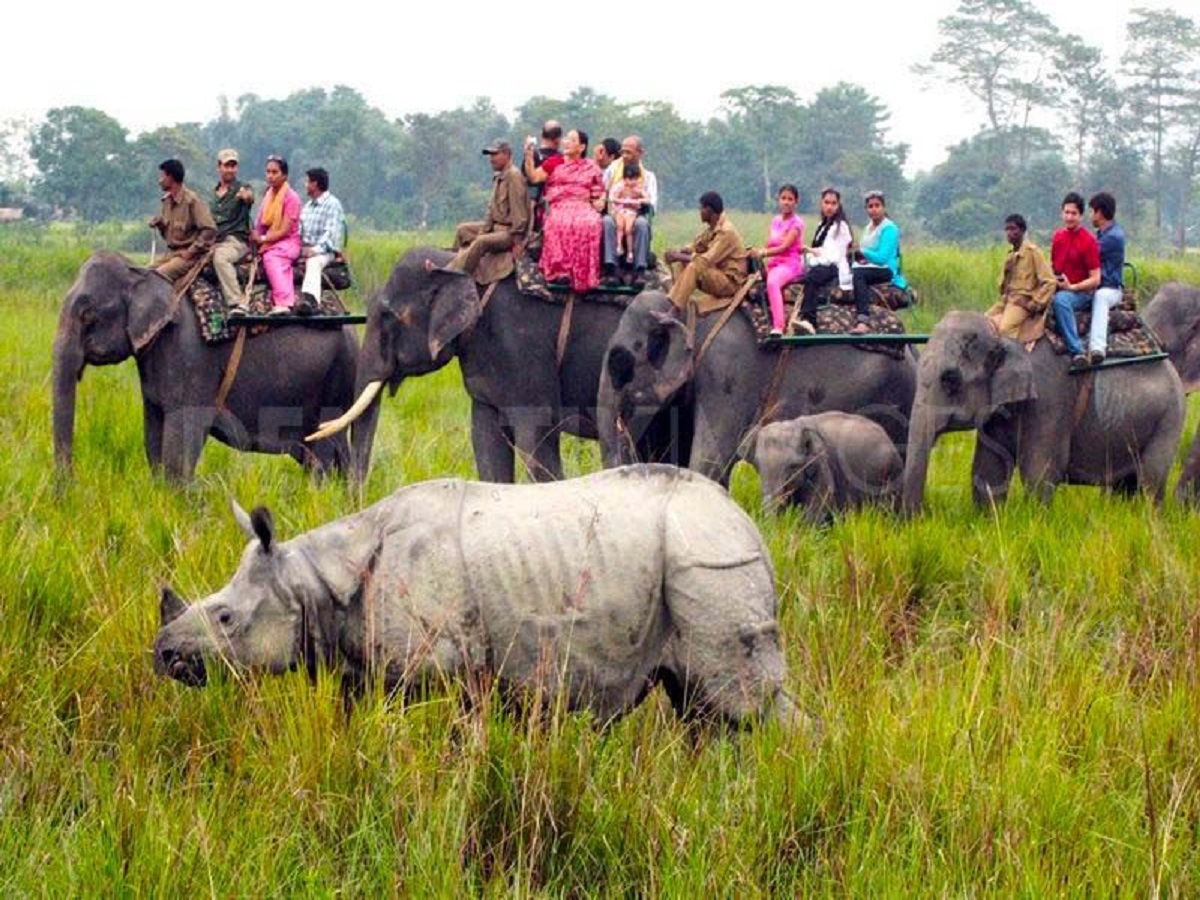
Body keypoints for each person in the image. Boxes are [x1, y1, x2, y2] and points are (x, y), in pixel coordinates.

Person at [445, 138, 530, 284]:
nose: (491, 159)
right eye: (490, 155)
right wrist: (483, 230)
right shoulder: (499, 177)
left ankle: (453, 274)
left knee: (481, 242)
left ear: (507, 154)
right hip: (495, 228)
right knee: (462, 230)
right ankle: (454, 261)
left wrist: (517, 243)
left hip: (508, 232)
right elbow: (491, 211)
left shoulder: (514, 176)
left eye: (495, 154)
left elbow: (519, 214)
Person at [537, 130, 606, 293]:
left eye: (572, 140)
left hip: (582, 205)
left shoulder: (590, 166)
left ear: (582, 146)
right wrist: (527, 156)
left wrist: (600, 199)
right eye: (566, 139)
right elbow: (534, 177)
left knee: (591, 223)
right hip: (560, 204)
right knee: (558, 223)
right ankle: (560, 271)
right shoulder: (556, 162)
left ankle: (583, 274)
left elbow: (599, 189)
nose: (566, 142)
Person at [239, 154, 301, 316]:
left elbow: (285, 230)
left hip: (288, 243)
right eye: (268, 172)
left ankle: (284, 302)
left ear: (284, 175)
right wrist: (254, 237)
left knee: (271, 257)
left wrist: (264, 239)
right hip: (270, 241)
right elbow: (260, 223)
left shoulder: (291, 198)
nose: (270, 176)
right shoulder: (268, 196)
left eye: (275, 172)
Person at [666, 192, 748, 310]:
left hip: (729, 283)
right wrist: (682, 252)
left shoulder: (727, 232)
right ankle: (676, 299)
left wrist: (678, 256)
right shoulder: (712, 229)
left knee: (694, 267)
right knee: (684, 261)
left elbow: (705, 260)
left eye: (701, 208)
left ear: (709, 210)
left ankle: (675, 310)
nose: (700, 211)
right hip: (718, 275)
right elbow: (697, 245)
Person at [1049, 191, 1102, 368]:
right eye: (1066, 212)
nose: (1069, 217)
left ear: (1081, 215)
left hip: (1081, 292)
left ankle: (1076, 350)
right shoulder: (1058, 237)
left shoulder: (1088, 241)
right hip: (1060, 286)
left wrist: (1072, 287)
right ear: (1061, 213)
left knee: (1061, 301)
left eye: (1073, 213)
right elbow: (1053, 267)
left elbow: (1096, 279)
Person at [987, 213, 1057, 342]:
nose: (1009, 233)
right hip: (1007, 300)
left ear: (1022, 230)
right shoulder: (1011, 255)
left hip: (1021, 302)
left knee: (1005, 330)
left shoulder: (1032, 252)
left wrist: (1034, 304)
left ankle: (1014, 354)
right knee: (984, 322)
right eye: (1007, 229)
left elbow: (1050, 281)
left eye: (1013, 229)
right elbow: (1003, 286)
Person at [601, 135, 658, 286]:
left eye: (629, 152)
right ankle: (611, 269)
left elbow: (651, 205)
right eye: (623, 152)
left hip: (636, 214)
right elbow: (604, 192)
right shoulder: (612, 170)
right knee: (607, 221)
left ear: (640, 153)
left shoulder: (649, 177)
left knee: (641, 224)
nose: (624, 156)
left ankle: (639, 271)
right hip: (616, 212)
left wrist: (637, 203)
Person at [749, 184, 804, 336]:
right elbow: (771, 243)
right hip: (774, 263)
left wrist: (763, 253)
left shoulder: (796, 223)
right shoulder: (775, 220)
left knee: (772, 282)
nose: (786, 202)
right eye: (783, 198)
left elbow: (784, 247)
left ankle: (779, 326)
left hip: (789, 263)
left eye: (790, 199)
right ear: (778, 200)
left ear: (796, 202)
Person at [148, 158, 216, 283]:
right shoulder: (166, 202)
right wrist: (160, 225)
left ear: (171, 177)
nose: (159, 181)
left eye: (162, 176)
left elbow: (209, 229)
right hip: (172, 254)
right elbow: (169, 237)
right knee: (145, 273)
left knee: (157, 276)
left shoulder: (192, 200)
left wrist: (191, 251)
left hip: (188, 257)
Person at [797, 187, 855, 334]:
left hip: (834, 266)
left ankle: (809, 319)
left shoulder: (841, 227)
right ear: (821, 204)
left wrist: (812, 252)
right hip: (820, 261)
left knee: (812, 278)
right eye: (826, 202)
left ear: (838, 205)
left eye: (833, 203)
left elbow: (833, 255)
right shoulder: (822, 225)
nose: (829, 207)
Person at [850, 190, 907, 334]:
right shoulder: (868, 228)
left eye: (877, 205)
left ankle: (863, 320)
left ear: (883, 207)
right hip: (870, 266)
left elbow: (882, 258)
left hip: (886, 270)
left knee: (859, 275)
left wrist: (863, 251)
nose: (874, 209)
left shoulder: (889, 228)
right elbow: (866, 253)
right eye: (870, 206)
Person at [1082, 192, 1125, 365]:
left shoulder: (1113, 237)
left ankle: (1097, 347)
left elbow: (1086, 257)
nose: (1091, 215)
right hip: (1096, 285)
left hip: (1110, 289)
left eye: (1092, 211)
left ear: (1100, 213)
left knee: (1101, 297)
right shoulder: (1101, 234)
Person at [208, 149, 254, 304]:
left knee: (220, 258)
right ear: (219, 167)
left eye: (233, 166)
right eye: (227, 166)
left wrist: (246, 197)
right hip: (214, 241)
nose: (230, 170)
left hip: (235, 242)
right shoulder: (213, 195)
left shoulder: (242, 188)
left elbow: (249, 197)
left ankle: (236, 301)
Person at [297, 167, 346, 313]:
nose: (305, 185)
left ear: (315, 184)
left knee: (314, 262)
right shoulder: (307, 207)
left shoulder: (332, 204)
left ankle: (311, 301)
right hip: (307, 250)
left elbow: (331, 236)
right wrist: (300, 248)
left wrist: (314, 250)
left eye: (307, 182)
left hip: (325, 252)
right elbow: (299, 232)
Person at [609, 162, 649, 265]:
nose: (632, 182)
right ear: (624, 178)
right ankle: (618, 246)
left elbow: (647, 199)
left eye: (635, 179)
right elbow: (612, 198)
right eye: (630, 179)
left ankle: (630, 252)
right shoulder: (620, 187)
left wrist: (637, 200)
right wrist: (621, 200)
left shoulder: (638, 189)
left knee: (628, 229)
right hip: (620, 211)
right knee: (619, 227)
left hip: (631, 212)